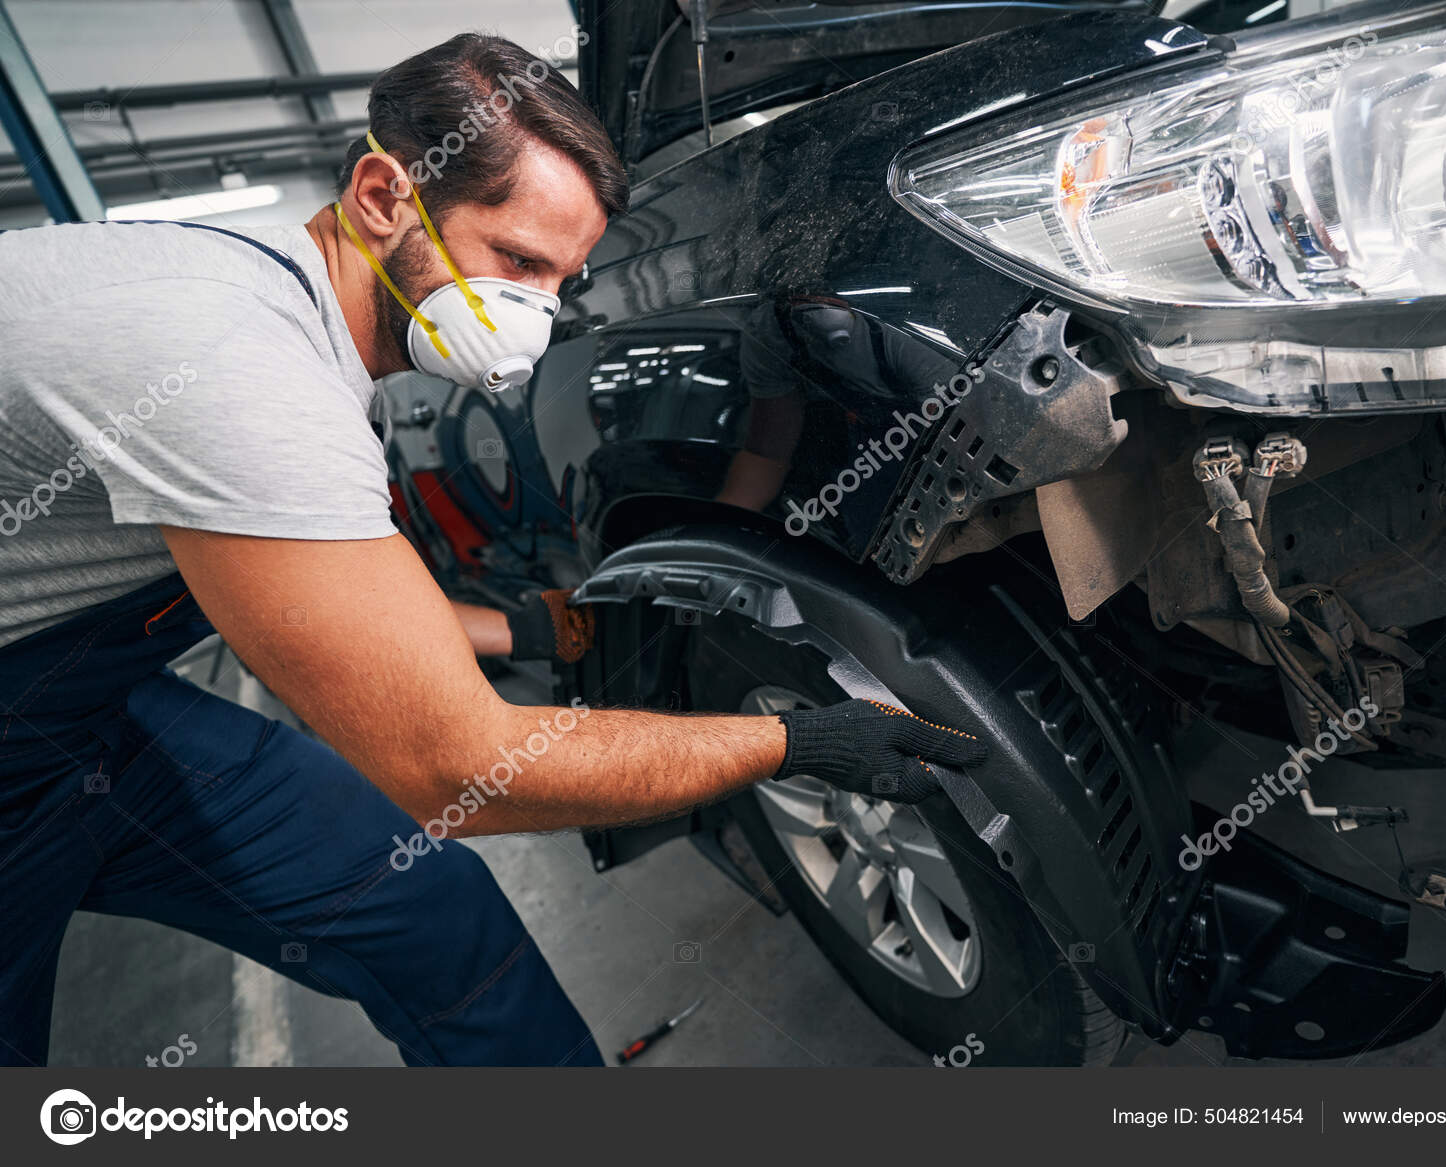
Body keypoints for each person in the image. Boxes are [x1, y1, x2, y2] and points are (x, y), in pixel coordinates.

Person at [0, 33, 985, 1067]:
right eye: (516, 260)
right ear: (383, 194)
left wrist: (533, 627)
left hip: (73, 707)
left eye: (560, 280)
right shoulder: (233, 371)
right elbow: (453, 765)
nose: (535, 315)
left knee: (422, 905)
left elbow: (304, 604)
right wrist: (801, 744)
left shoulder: (275, 316)